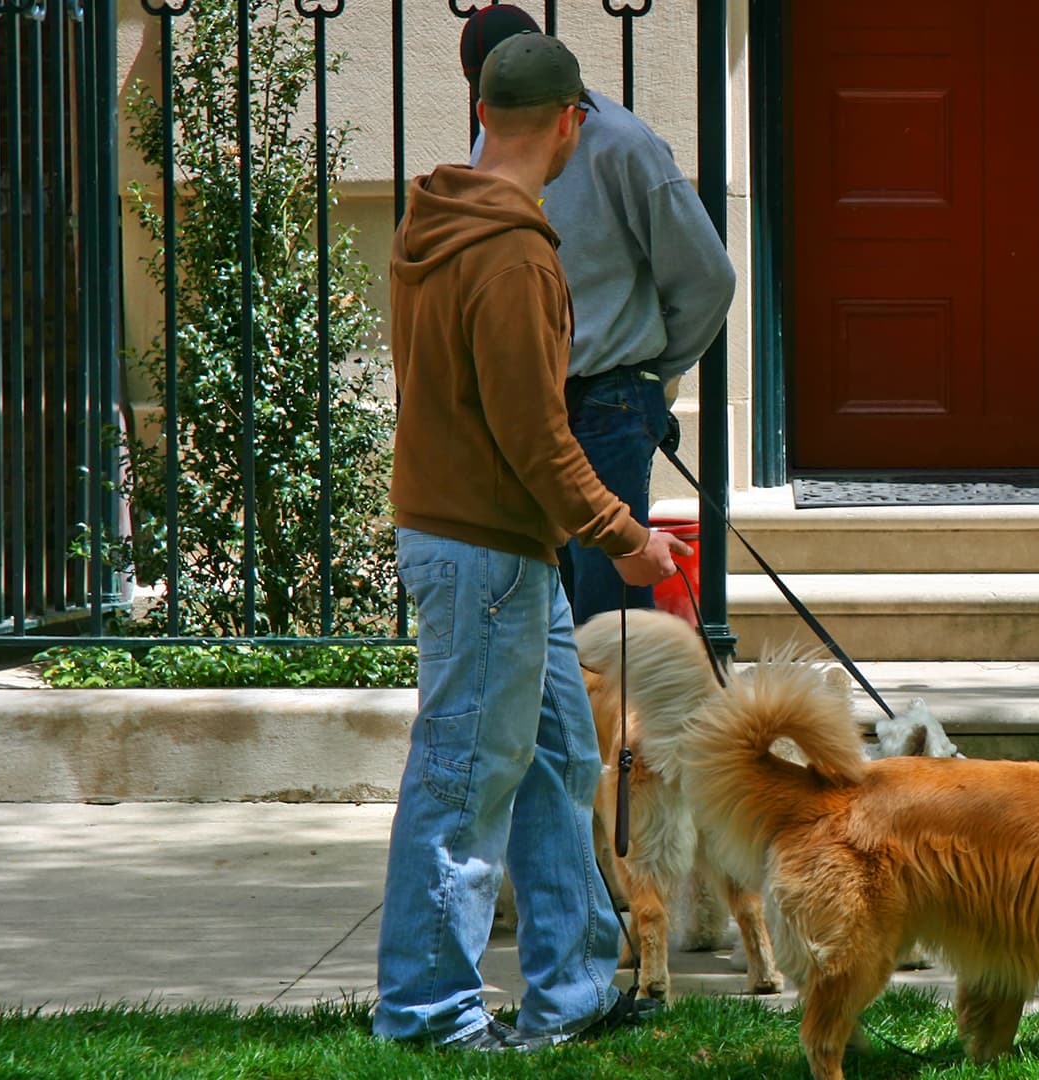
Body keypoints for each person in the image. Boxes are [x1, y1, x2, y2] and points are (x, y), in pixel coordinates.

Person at [373, 31, 690, 1052]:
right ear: (568, 124)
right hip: (488, 556)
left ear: (481, 113)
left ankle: (575, 990)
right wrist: (623, 534)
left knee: (557, 764)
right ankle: (427, 1016)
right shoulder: (512, 252)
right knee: (464, 781)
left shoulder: (437, 218)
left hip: (498, 550)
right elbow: (532, 430)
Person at [459, 5, 735, 624]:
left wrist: (653, 372)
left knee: (608, 617)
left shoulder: (624, 143)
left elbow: (708, 276)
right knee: (541, 606)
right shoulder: (490, 144)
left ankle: (618, 724)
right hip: (536, 398)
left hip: (610, 396)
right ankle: (581, 724)